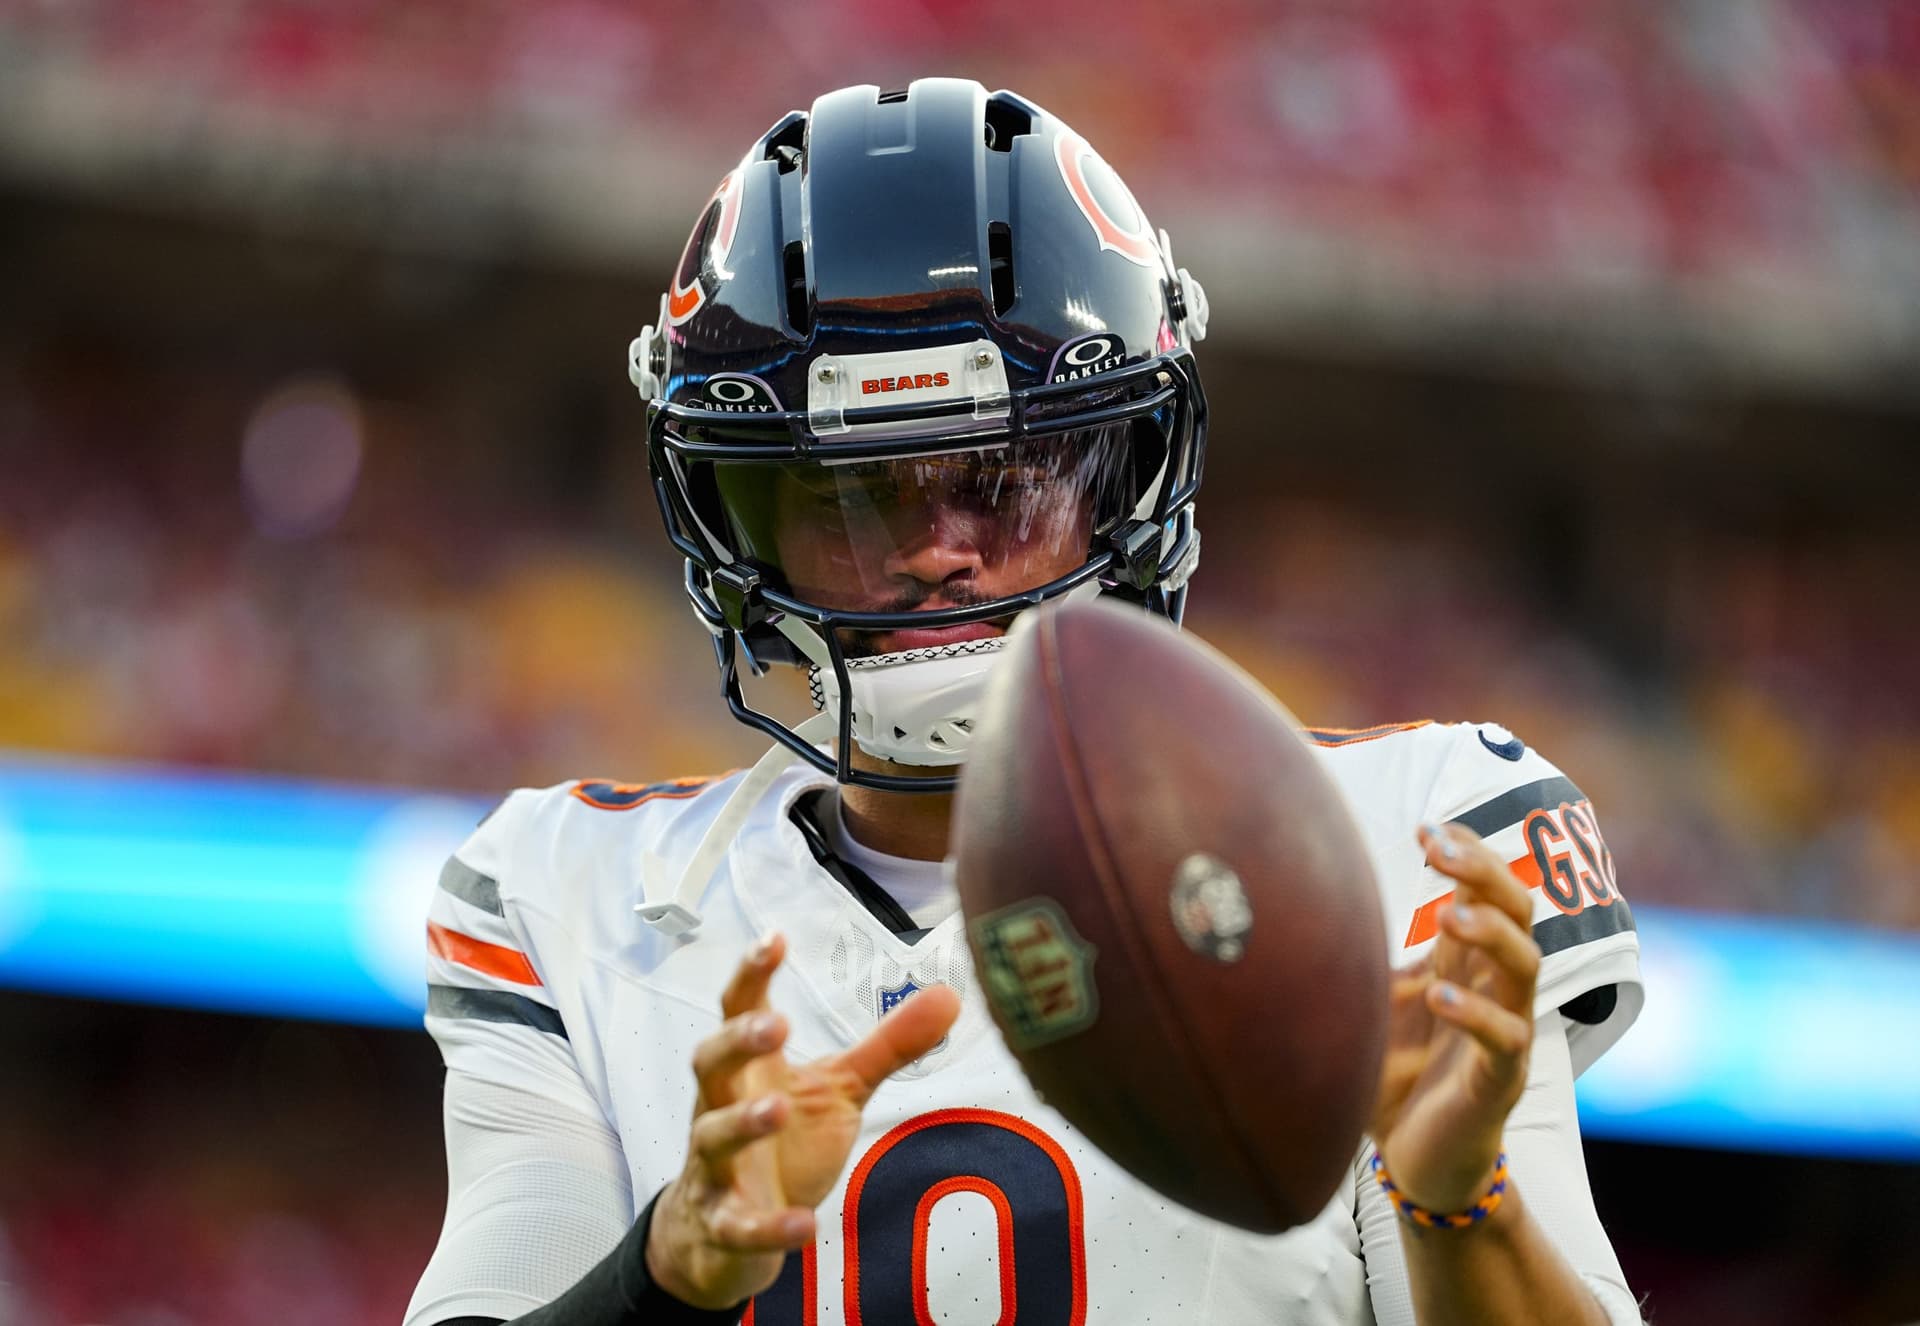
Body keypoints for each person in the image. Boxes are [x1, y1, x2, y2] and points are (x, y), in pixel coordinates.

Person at [405, 78, 1645, 1326]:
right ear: (742, 526)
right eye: (851, 494)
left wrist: (1459, 1200)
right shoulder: (569, 900)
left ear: (1125, 484)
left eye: (1002, 482)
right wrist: (666, 1275)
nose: (934, 550)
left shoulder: (1411, 836)